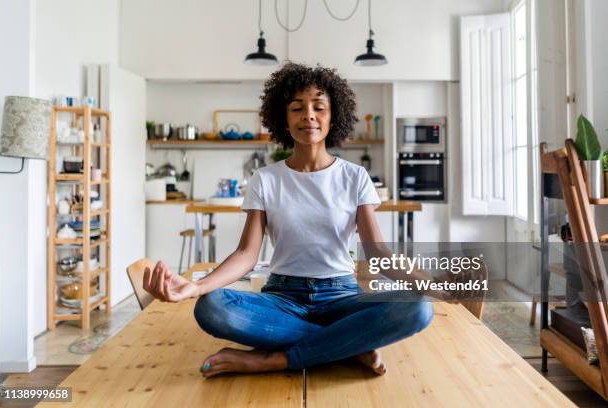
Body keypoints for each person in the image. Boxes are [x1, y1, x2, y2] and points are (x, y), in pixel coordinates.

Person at [143, 63, 434, 378]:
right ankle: (347, 344)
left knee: (419, 307)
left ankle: (274, 359)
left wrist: (429, 283)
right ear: (284, 119)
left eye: (318, 107)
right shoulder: (266, 179)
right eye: (297, 108)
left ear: (333, 116)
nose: (308, 115)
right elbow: (246, 255)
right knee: (210, 307)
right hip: (283, 297)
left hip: (342, 297)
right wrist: (195, 288)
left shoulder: (355, 177)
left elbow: (378, 254)